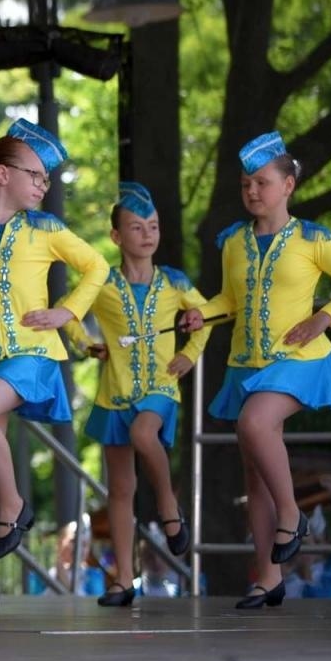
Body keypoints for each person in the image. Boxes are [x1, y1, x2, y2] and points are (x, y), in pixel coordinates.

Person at [0, 120, 107, 612]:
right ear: (2, 174)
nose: (42, 185)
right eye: (34, 175)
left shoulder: (46, 229)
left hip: (31, 353)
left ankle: (14, 507)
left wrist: (68, 312)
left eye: (46, 179)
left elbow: (96, 266)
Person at [181, 132, 331, 609]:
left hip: (300, 359)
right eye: (245, 184)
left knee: (254, 423)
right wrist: (203, 314)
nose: (252, 191)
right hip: (244, 363)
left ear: (288, 185)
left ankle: (292, 515)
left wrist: (324, 317)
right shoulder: (233, 242)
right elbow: (229, 301)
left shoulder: (315, 239)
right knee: (253, 473)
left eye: (262, 182)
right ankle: (268, 578)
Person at [82, 182, 211, 608]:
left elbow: (204, 315)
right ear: (117, 236)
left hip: (160, 388)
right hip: (113, 394)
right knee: (119, 490)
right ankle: (122, 578)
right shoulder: (102, 284)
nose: (147, 234)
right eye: (137, 228)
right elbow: (68, 311)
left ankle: (168, 505)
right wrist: (86, 343)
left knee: (144, 434)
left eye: (153, 226)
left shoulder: (174, 281)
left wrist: (190, 353)